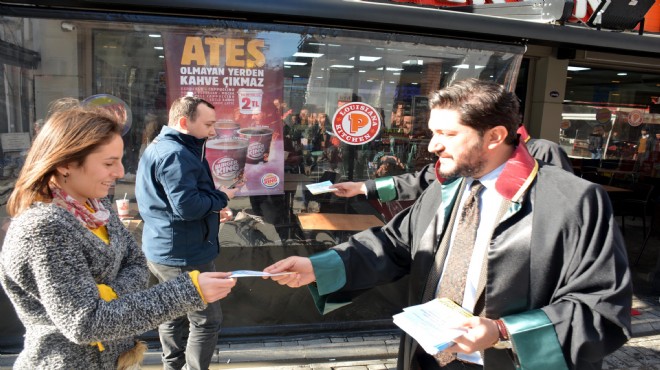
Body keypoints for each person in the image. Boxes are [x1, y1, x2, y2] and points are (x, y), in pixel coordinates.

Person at [264, 79, 631, 370]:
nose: (433, 147)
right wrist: (318, 266)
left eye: (448, 134)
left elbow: (601, 307)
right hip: (428, 357)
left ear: (495, 136)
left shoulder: (573, 200)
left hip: (506, 361)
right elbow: (394, 244)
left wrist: (502, 332)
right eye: (432, 133)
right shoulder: (447, 186)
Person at [0, 106, 236, 369]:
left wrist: (108, 296)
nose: (120, 172)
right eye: (109, 163)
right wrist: (189, 290)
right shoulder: (44, 228)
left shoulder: (96, 208)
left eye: (120, 160)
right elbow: (87, 324)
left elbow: (136, 262)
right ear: (66, 163)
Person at [135, 96, 239, 370]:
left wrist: (212, 209)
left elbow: (178, 202)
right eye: (208, 124)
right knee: (207, 320)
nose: (213, 131)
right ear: (184, 122)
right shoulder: (175, 153)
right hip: (183, 254)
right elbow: (188, 207)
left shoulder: (167, 147)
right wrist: (221, 198)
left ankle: (172, 367)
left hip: (167, 247)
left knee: (173, 314)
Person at [331, 124, 573, 202]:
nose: (433, 146)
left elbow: (560, 208)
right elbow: (420, 180)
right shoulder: (462, 164)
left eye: (449, 133)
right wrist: (364, 187)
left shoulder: (542, 151)